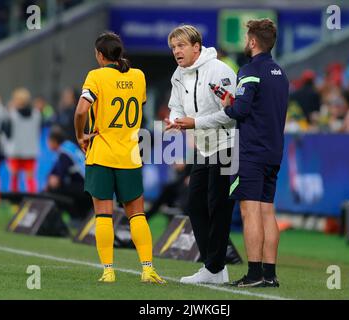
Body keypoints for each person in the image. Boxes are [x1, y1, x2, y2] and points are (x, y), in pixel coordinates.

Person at [74, 31, 165, 284]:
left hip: (101, 152)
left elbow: (82, 109)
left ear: (100, 55)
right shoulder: (138, 76)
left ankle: (108, 271)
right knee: (137, 214)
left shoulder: (96, 76)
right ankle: (147, 269)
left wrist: (81, 135)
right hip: (130, 155)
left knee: (103, 214)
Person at [165, 25, 237, 284]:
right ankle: (215, 267)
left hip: (227, 146)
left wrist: (194, 123)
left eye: (181, 46)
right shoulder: (178, 74)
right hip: (203, 148)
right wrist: (174, 119)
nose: (176, 51)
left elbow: (231, 113)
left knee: (219, 207)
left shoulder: (219, 71)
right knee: (194, 204)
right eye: (173, 47)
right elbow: (174, 106)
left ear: (197, 46)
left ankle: (214, 267)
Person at [222, 19, 289, 287]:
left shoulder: (249, 70)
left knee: (250, 212)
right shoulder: (280, 73)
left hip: (251, 151)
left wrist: (228, 105)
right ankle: (270, 274)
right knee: (267, 211)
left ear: (252, 42)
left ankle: (253, 274)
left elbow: (240, 110)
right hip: (274, 151)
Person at [46, 126, 92, 226]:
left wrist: (48, 185)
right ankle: (81, 216)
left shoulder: (64, 153)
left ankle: (73, 218)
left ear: (54, 141)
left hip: (87, 188)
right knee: (65, 187)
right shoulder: (69, 146)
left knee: (54, 192)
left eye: (48, 141)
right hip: (90, 185)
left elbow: (57, 179)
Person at [5, 87, 41, 193]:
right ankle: (33, 202)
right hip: (30, 151)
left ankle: (14, 203)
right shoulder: (36, 114)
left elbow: (7, 133)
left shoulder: (12, 114)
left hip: (15, 151)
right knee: (30, 180)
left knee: (14, 179)